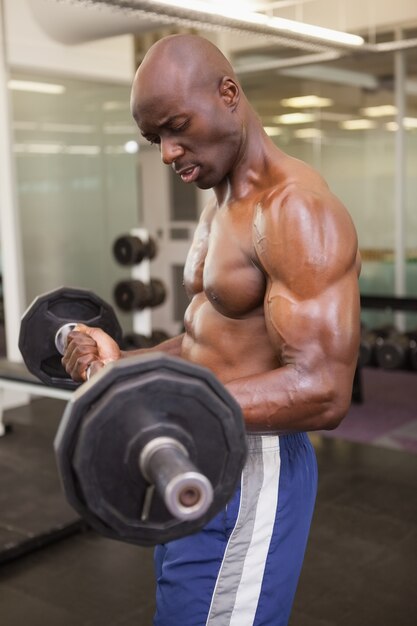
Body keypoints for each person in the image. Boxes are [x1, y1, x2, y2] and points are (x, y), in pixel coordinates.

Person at [62, 34, 361, 626]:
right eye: (156, 140)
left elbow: (324, 389)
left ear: (228, 94)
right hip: (198, 444)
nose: (169, 153)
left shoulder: (294, 209)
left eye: (177, 126)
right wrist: (127, 363)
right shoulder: (221, 205)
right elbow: (209, 346)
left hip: (252, 464)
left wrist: (164, 398)